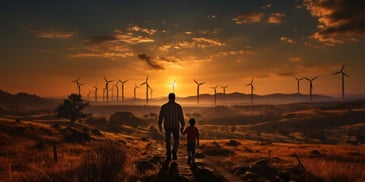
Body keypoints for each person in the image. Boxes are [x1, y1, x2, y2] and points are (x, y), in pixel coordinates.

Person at [158, 93, 185, 161]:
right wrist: (182, 125)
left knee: (168, 141)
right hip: (175, 126)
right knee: (176, 140)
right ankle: (174, 151)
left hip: (167, 125)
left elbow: (161, 117)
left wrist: (160, 125)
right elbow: (181, 117)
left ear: (168, 98)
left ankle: (169, 154)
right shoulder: (178, 107)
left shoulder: (164, 106)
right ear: (174, 98)